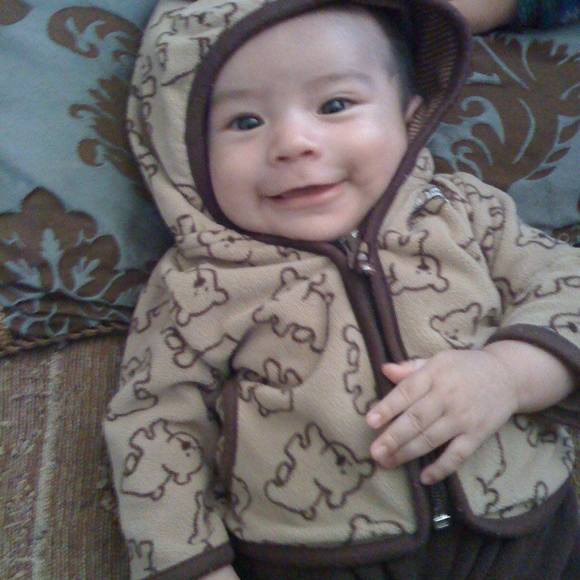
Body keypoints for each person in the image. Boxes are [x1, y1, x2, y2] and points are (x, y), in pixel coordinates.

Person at [104, 1, 580, 579]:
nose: (293, 142)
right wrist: (194, 568)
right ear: (184, 155)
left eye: (335, 105)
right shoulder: (194, 284)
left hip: (527, 532)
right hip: (310, 559)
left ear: (408, 118)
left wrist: (507, 374)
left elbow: (567, 286)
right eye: (245, 121)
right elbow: (154, 424)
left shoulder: (467, 212)